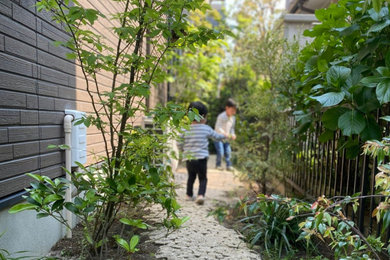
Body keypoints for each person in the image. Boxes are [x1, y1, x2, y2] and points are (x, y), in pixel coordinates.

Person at [180, 101, 227, 205]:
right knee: (203, 178)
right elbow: (217, 136)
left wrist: (183, 149)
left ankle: (188, 195)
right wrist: (225, 135)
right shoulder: (206, 129)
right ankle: (200, 195)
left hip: (189, 158)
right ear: (203, 117)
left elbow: (179, 141)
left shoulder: (185, 129)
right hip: (201, 159)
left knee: (191, 177)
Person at [214, 98, 237, 171]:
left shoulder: (233, 118)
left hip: (227, 138)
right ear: (227, 108)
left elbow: (232, 128)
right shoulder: (221, 116)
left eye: (234, 111)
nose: (233, 112)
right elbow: (218, 127)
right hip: (218, 137)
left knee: (228, 152)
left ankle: (229, 165)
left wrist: (233, 134)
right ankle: (218, 165)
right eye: (232, 110)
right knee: (220, 152)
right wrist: (224, 133)